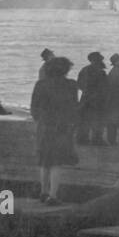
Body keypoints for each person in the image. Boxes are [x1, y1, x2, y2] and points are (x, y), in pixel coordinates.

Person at [30, 56, 79, 205]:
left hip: (44, 126)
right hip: (62, 127)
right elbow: (73, 108)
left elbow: (34, 108)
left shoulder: (40, 84)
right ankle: (53, 195)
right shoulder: (71, 85)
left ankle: (43, 193)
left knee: (45, 161)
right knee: (57, 163)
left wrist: (41, 119)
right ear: (65, 69)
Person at [76, 51, 108, 145]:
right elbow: (105, 87)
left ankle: (82, 139)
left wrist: (86, 92)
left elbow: (79, 84)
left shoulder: (84, 70)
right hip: (98, 100)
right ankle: (97, 139)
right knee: (98, 120)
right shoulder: (100, 72)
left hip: (86, 98)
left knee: (85, 120)